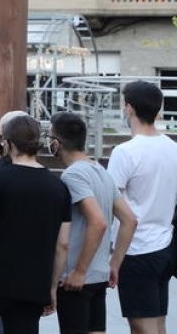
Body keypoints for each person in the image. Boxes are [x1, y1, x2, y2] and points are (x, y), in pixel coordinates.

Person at [0, 115, 72, 334]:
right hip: (33, 283)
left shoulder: (0, 177)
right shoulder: (59, 188)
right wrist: (51, 287)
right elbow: (63, 245)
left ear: (7, 143)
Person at [51, 110, 138, 334]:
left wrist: (80, 270)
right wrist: (114, 265)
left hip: (76, 279)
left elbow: (98, 222)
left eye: (49, 137)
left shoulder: (73, 175)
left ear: (57, 142)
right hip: (98, 276)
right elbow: (129, 220)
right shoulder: (100, 171)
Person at [106, 80, 177, 334]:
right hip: (164, 246)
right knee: (157, 324)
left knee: (142, 329)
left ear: (129, 109)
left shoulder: (125, 152)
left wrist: (115, 260)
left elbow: (114, 207)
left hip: (136, 251)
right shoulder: (173, 148)